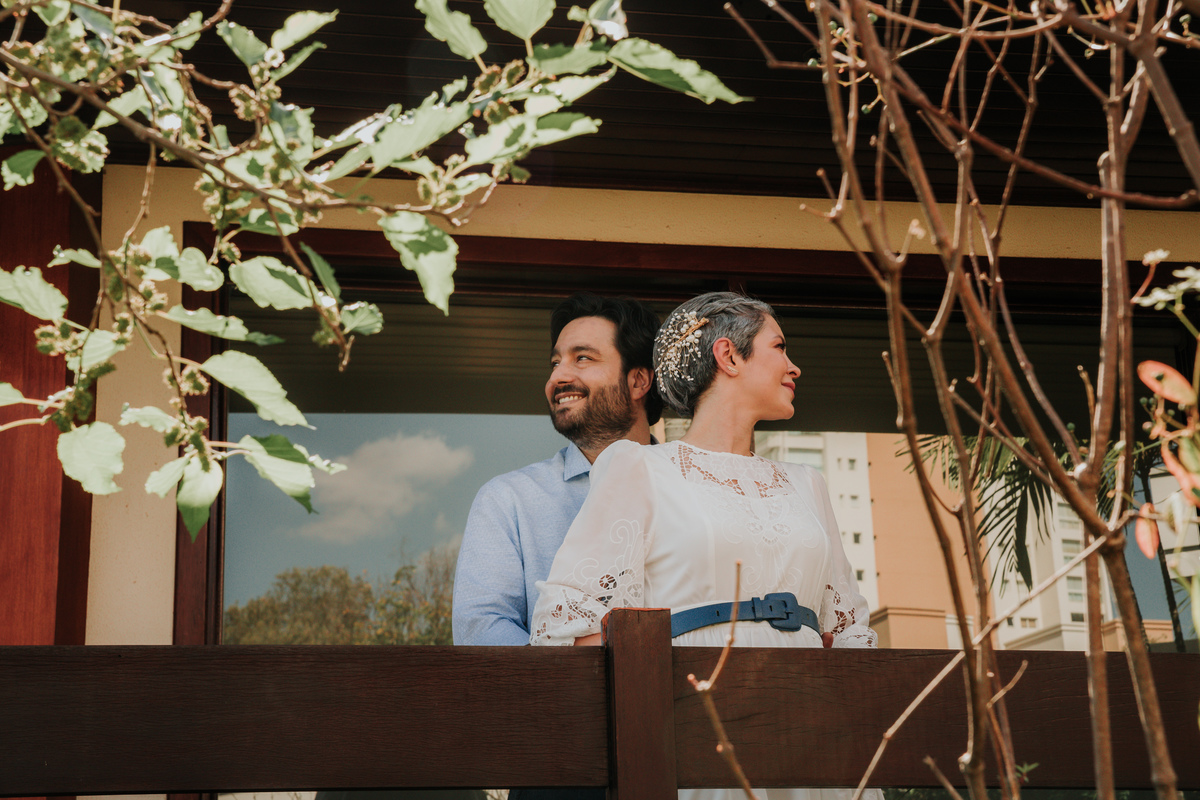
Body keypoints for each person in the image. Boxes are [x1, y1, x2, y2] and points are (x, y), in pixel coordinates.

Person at [530, 292, 878, 800]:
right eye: (779, 347)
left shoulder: (809, 483)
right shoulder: (639, 468)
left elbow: (848, 631)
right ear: (728, 356)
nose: (794, 366)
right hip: (694, 732)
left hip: (811, 732)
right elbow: (561, 625)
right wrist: (662, 698)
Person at [452, 293, 662, 646]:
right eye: (555, 363)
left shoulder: (691, 487)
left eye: (582, 358)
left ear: (639, 381)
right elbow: (481, 627)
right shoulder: (507, 500)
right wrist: (577, 667)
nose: (558, 377)